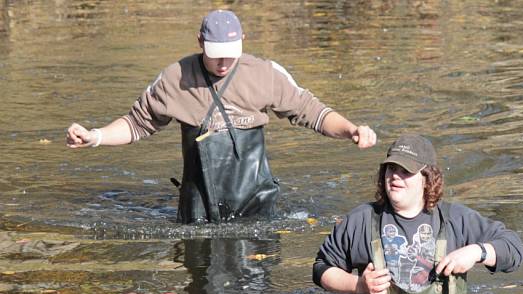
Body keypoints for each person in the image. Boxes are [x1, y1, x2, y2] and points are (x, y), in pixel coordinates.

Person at [66, 9, 377, 224]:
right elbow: (136, 123)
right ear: (200, 43)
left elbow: (313, 112)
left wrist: (350, 130)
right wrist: (96, 137)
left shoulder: (266, 74)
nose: (224, 62)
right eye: (216, 53)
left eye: (231, 52)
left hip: (254, 203)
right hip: (197, 209)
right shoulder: (176, 78)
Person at [312, 133, 523, 294]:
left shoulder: (455, 219)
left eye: (406, 171)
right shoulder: (361, 220)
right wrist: (358, 285)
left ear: (428, 179)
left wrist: (476, 252)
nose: (395, 175)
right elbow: (321, 268)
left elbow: (515, 249)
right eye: (391, 168)